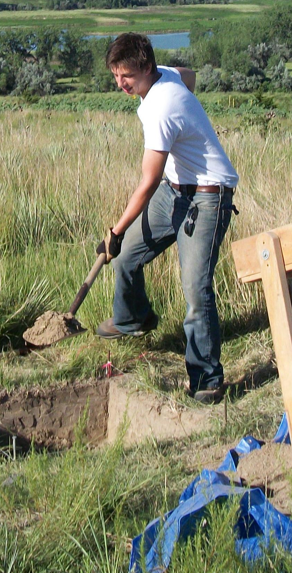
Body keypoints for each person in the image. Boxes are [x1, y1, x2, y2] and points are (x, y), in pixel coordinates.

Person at [95, 33, 239, 404]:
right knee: (126, 255)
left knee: (195, 289)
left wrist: (115, 229)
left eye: (126, 76)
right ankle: (134, 319)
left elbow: (147, 182)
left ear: (145, 68)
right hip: (177, 189)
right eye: (115, 75)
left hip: (207, 197)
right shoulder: (166, 75)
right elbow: (189, 75)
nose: (120, 84)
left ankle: (207, 378)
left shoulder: (161, 107)